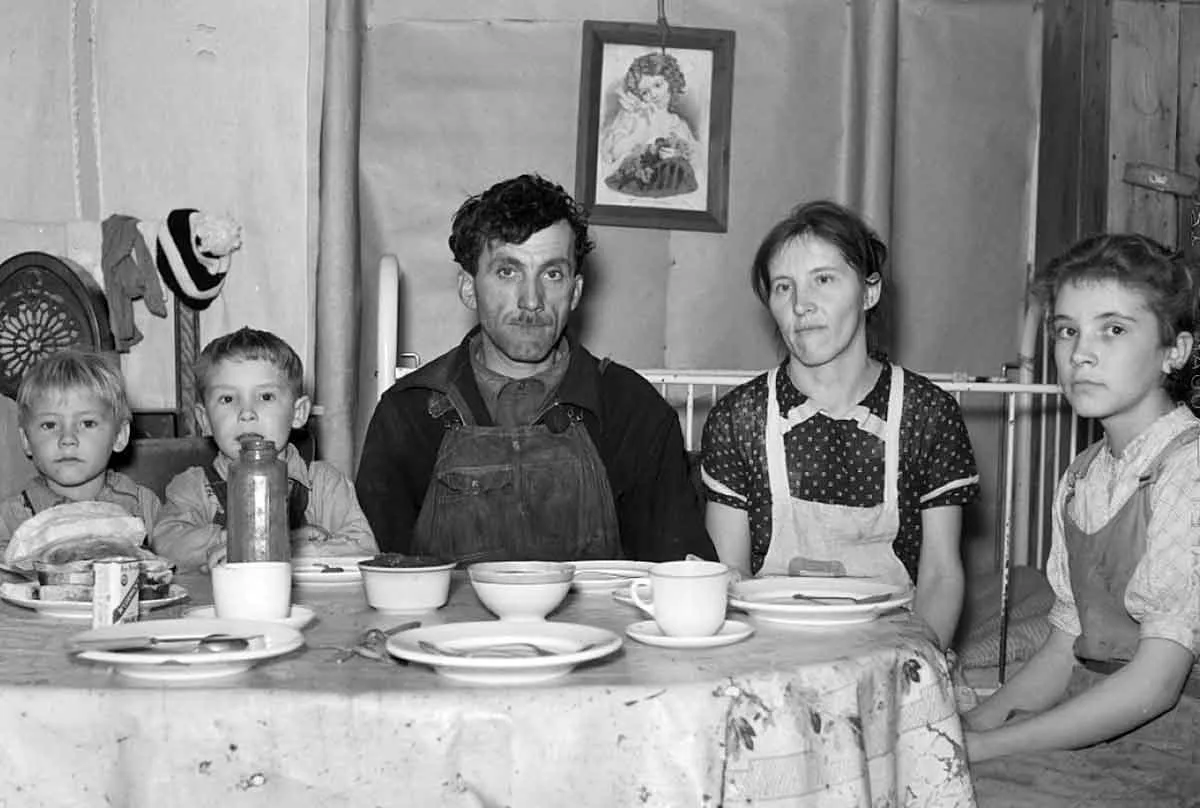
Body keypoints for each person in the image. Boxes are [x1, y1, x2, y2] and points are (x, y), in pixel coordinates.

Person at [356, 173, 714, 563]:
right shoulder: (408, 416)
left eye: (552, 274)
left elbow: (681, 579)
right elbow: (378, 583)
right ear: (468, 288)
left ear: (575, 291)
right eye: (508, 272)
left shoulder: (633, 411)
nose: (532, 300)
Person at [962, 234, 1200, 799]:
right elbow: (1066, 644)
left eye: (1113, 329)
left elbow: (1157, 685)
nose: (1080, 354)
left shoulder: (1188, 471)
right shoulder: (1081, 478)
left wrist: (988, 747)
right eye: (1067, 330)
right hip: (1097, 718)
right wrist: (971, 726)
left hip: (1177, 741)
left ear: (1176, 351)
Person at [700, 200, 979, 648]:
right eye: (783, 287)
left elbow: (941, 575)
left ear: (870, 292)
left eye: (824, 280)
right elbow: (730, 575)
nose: (801, 305)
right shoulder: (740, 418)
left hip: (896, 653)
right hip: (770, 653)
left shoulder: (927, 415)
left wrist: (913, 672)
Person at [152, 327, 376, 571]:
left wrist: (289, 549)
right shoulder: (192, 487)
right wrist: (243, 544)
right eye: (227, 399)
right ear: (204, 420)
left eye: (266, 397)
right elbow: (166, 543)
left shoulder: (324, 484)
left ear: (298, 413)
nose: (246, 413)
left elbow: (363, 549)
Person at [0, 350, 159, 555]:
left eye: (87, 423)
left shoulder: (142, 506)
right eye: (49, 425)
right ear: (26, 440)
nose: (67, 439)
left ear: (119, 435)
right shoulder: (12, 518)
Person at [599, 51, 699, 199]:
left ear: (672, 83)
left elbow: (693, 156)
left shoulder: (676, 123)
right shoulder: (632, 116)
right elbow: (614, 153)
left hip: (668, 184)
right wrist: (642, 129)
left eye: (657, 85)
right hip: (634, 183)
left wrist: (677, 154)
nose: (653, 94)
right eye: (645, 92)